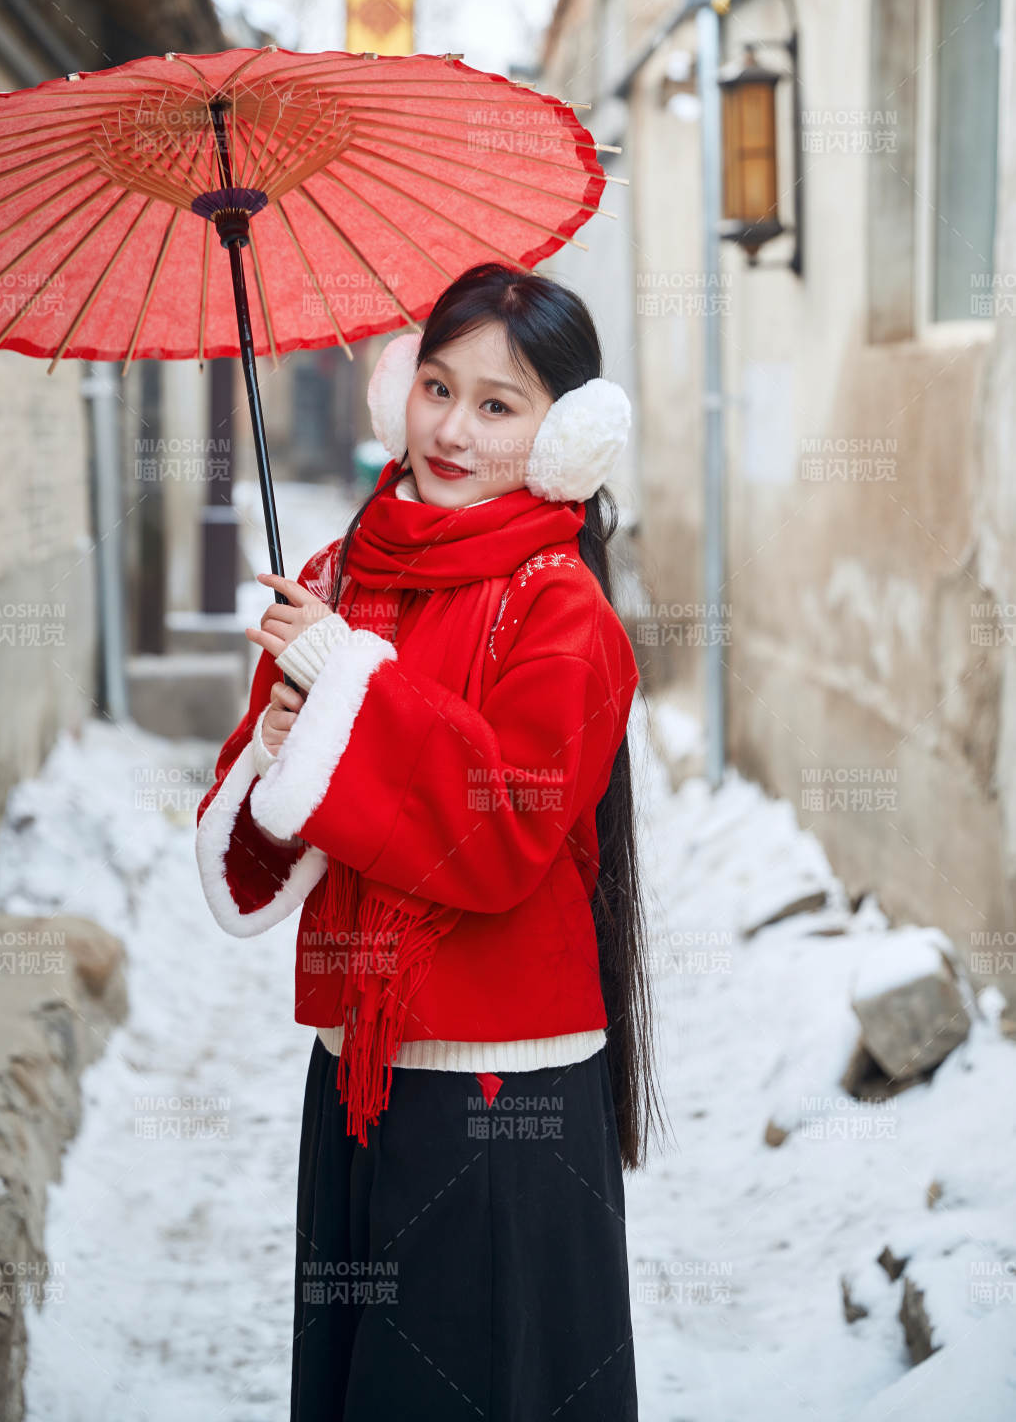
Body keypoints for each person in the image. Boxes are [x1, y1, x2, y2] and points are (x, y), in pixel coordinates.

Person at [196, 261, 665, 1421]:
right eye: (436, 387)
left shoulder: (563, 610)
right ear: (396, 388)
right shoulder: (338, 581)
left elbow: (503, 827)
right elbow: (261, 849)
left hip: (502, 1103)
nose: (453, 429)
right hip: (356, 1085)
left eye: (498, 406)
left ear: (564, 439)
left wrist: (349, 682)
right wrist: (280, 744)